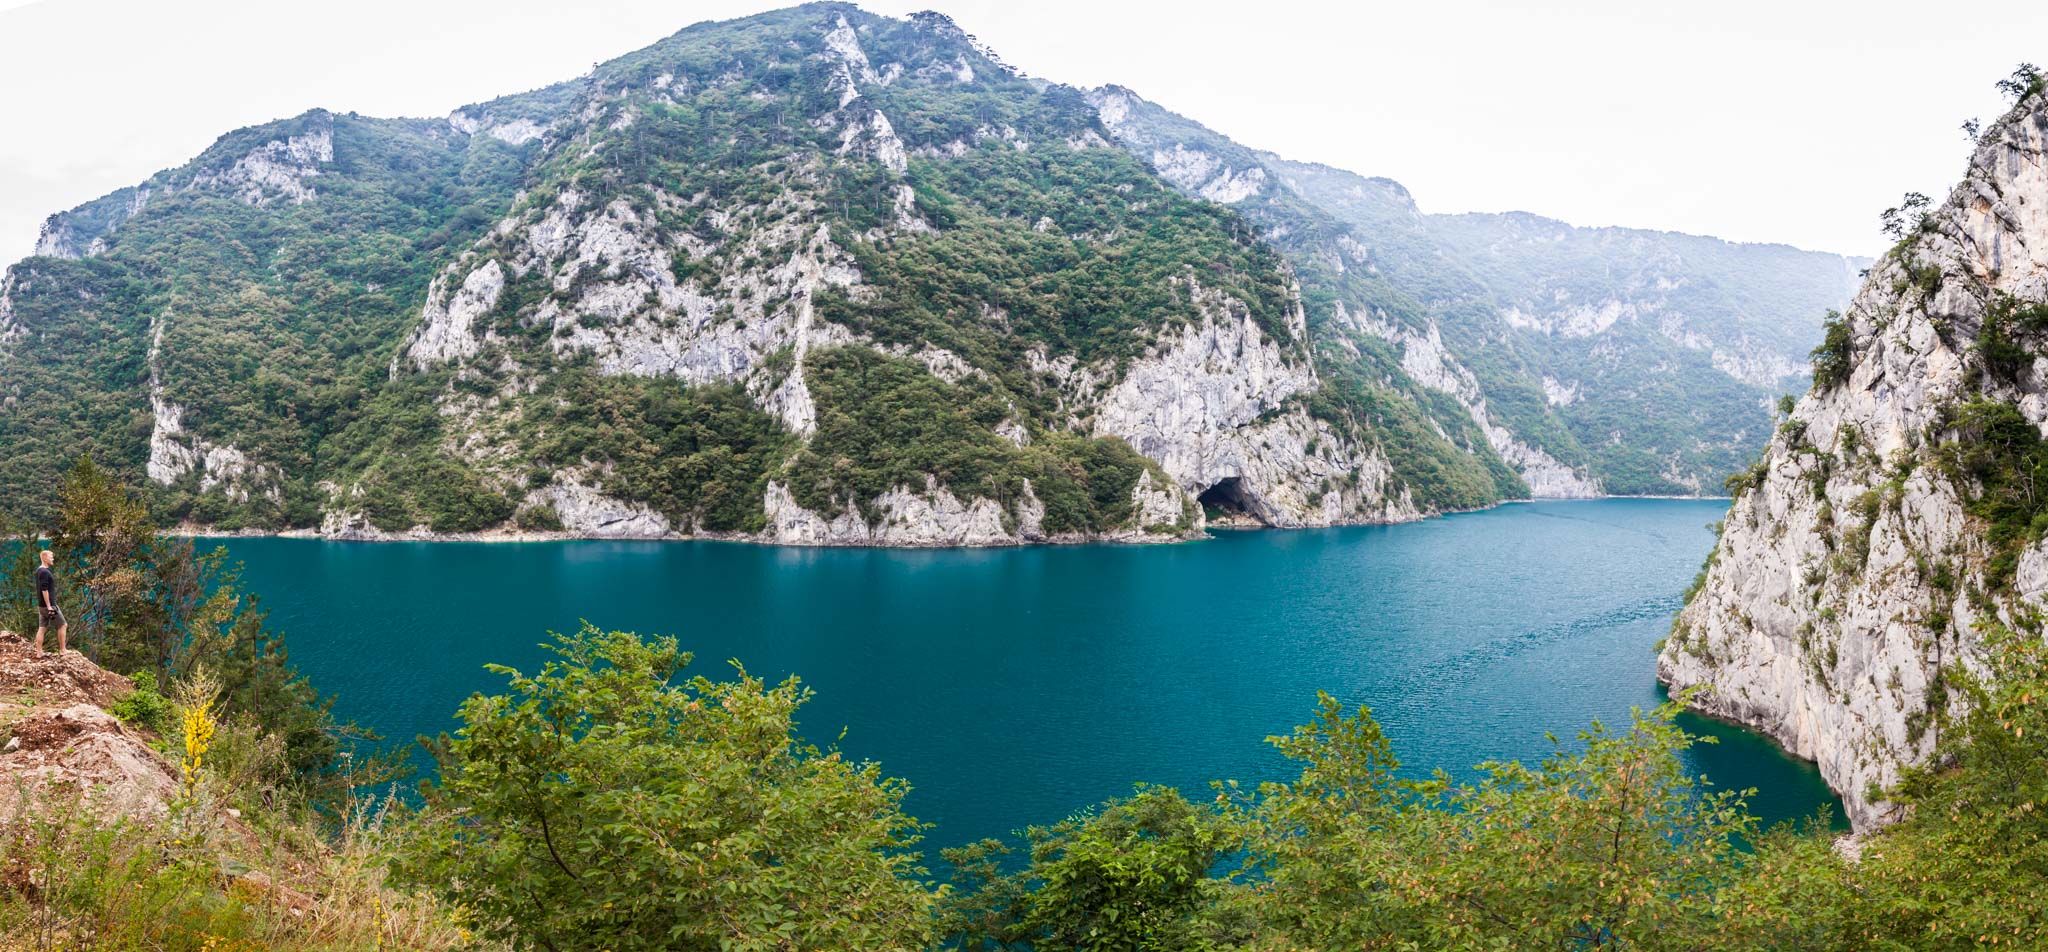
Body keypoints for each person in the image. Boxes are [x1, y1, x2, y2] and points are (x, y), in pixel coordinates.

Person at [34, 550, 64, 654]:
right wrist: (49, 606)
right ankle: (63, 650)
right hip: (49, 606)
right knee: (63, 625)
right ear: (45, 558)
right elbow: (44, 589)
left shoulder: (39, 570)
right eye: (51, 557)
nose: (53, 558)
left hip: (41, 606)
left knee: (42, 628)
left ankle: (39, 652)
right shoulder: (44, 572)